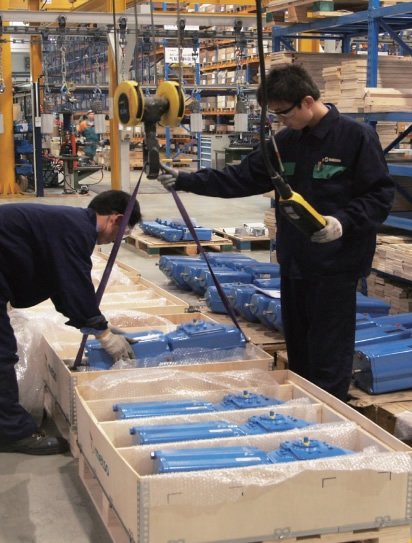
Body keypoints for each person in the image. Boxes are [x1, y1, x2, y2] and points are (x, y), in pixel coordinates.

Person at [158, 64, 394, 402]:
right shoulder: (285, 142)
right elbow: (240, 178)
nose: (280, 120)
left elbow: (379, 196)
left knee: (328, 353)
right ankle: (302, 410)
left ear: (307, 101)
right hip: (295, 264)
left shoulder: (355, 137)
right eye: (274, 114)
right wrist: (184, 180)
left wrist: (342, 222)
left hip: (335, 267)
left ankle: (327, 414)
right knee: (298, 350)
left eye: (284, 113)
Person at [0, 190, 141, 455]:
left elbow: (61, 286)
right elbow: (75, 283)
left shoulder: (69, 223)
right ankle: (10, 433)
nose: (116, 240)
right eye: (122, 233)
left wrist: (99, 324)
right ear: (116, 219)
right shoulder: (77, 230)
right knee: (2, 352)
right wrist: (104, 335)